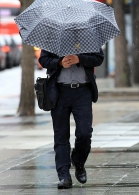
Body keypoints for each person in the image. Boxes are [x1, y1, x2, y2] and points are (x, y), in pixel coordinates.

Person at [39, 49, 104, 189]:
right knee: (61, 136)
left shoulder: (88, 36)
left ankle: (79, 163)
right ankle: (64, 176)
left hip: (83, 92)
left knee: (85, 133)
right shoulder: (53, 37)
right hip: (59, 92)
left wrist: (79, 59)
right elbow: (43, 60)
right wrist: (59, 62)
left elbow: (99, 58)